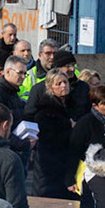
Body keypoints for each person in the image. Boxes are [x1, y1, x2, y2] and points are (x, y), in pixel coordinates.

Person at [27, 68, 82, 199]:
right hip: (50, 167)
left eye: (65, 82)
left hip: (70, 164)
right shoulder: (45, 112)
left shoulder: (74, 105)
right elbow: (50, 138)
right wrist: (70, 127)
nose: (63, 86)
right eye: (58, 84)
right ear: (50, 88)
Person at [70, 84, 105, 208]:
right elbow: (74, 151)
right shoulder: (86, 123)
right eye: (104, 103)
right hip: (91, 173)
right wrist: (70, 178)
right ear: (95, 106)